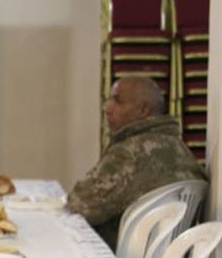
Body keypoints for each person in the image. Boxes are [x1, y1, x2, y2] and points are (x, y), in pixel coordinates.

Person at [67, 76, 207, 249]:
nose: (107, 108)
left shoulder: (128, 153)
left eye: (118, 101)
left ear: (143, 110)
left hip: (124, 257)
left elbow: (80, 204)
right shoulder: (180, 149)